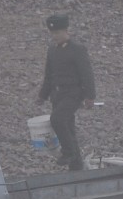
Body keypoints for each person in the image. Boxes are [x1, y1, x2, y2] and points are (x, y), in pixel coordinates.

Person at [36, 13, 95, 171]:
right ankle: (77, 167)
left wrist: (90, 96)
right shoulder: (52, 50)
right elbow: (49, 75)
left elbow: (87, 74)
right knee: (68, 128)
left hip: (73, 94)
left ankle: (68, 152)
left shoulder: (77, 49)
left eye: (57, 33)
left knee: (57, 119)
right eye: (52, 33)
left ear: (66, 31)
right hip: (57, 95)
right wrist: (42, 95)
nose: (54, 36)